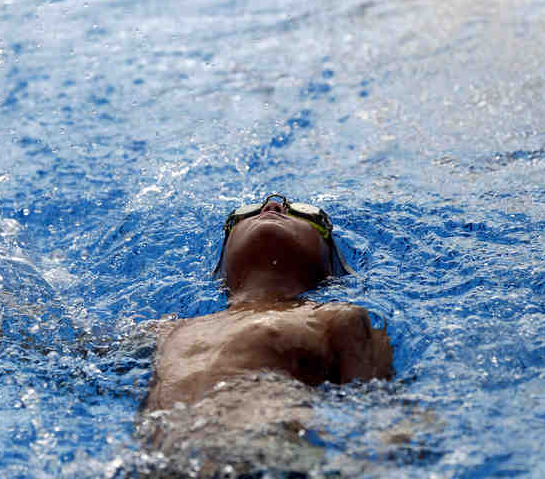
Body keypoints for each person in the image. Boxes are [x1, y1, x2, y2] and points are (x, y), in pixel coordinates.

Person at [134, 194, 395, 477]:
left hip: (265, 451)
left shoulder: (337, 318)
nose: (273, 205)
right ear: (221, 266)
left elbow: (383, 416)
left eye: (308, 214)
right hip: (162, 463)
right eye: (245, 213)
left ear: (329, 267)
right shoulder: (170, 328)